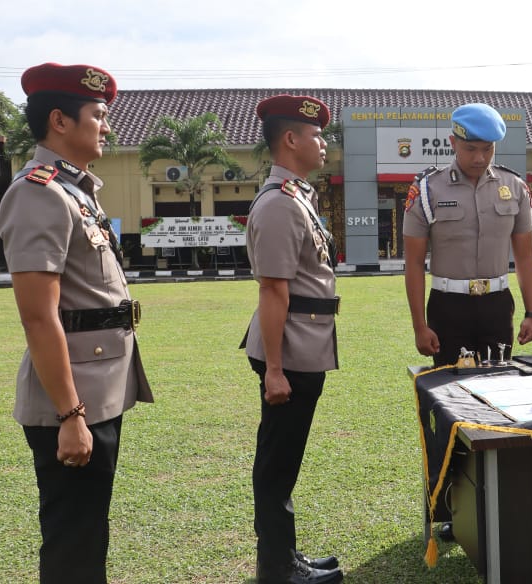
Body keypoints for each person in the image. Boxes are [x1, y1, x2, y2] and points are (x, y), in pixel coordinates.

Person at [0, 62, 153, 583]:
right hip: (74, 398)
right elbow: (38, 317)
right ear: (60, 121)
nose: (107, 125)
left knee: (89, 530)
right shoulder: (38, 191)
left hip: (96, 386)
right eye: (99, 114)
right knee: (73, 539)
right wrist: (70, 415)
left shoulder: (75, 189)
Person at [240, 94, 343, 584]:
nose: (323, 143)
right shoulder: (281, 205)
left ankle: (286, 556)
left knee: (284, 460)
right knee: (277, 463)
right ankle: (277, 568)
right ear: (290, 139)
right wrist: (275, 370)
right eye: (316, 135)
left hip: (305, 344)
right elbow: (274, 291)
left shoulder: (297, 196)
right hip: (290, 351)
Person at [403, 102, 532, 367]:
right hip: (448, 307)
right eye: (470, 149)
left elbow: (525, 257)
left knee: (497, 387)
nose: (480, 158)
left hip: (497, 306)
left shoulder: (515, 187)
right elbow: (414, 263)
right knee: (449, 393)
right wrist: (419, 326)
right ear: (453, 142)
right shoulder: (427, 190)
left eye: (487, 149)